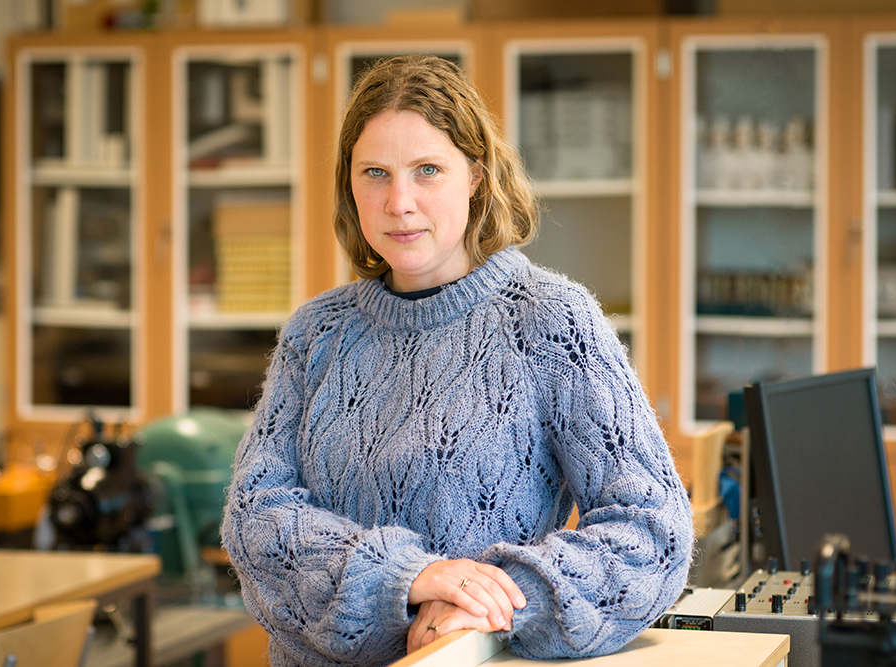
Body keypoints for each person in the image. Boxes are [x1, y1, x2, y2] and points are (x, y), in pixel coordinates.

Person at [221, 54, 693, 667]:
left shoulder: (551, 320)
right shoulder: (316, 334)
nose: (399, 202)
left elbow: (652, 530)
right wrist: (407, 578)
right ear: (350, 185)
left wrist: (499, 601)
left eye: (427, 170)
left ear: (474, 175)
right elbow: (254, 517)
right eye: (375, 173)